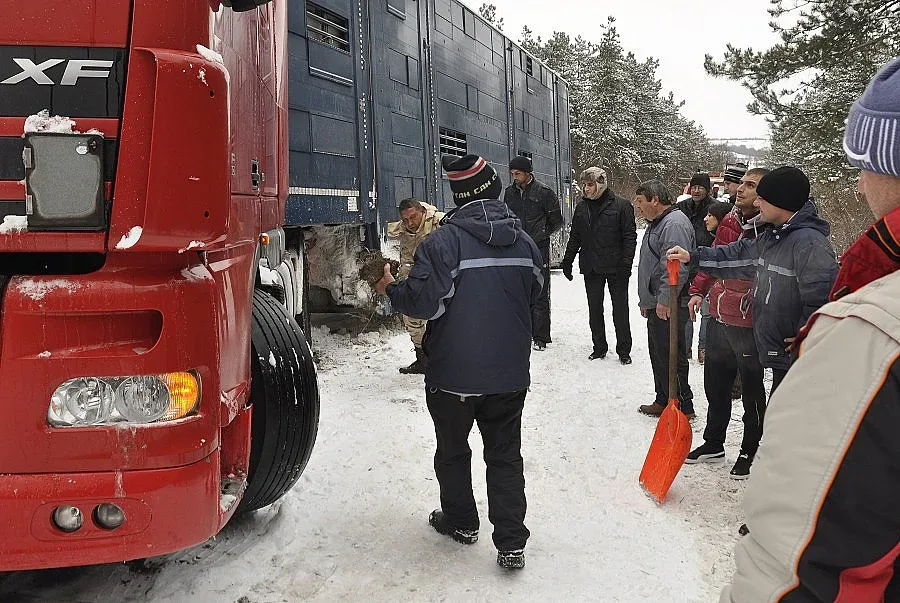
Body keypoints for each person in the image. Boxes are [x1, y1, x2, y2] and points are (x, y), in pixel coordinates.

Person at [722, 56, 900, 602]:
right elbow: (737, 259)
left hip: (788, 354)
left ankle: (753, 449)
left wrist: (806, 344)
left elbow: (801, 561)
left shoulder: (867, 327)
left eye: (865, 162)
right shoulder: (770, 239)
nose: (860, 183)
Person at [374, 154, 543, 571]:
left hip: (453, 376)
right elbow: (535, 294)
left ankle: (462, 521)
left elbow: (423, 304)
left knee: (452, 449)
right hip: (509, 375)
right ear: (495, 190)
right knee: (505, 454)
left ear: (459, 195)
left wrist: (391, 288)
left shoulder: (443, 243)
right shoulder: (525, 243)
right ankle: (511, 541)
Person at [667, 166, 838, 394]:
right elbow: (736, 255)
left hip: (798, 359)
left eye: (762, 199)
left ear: (781, 202)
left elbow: (823, 301)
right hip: (781, 354)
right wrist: (693, 256)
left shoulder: (809, 243)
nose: (757, 204)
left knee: (783, 421)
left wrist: (805, 336)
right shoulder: (776, 236)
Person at [683, 168, 769, 480]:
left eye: (751, 185)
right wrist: (697, 290)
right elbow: (717, 258)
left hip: (748, 321)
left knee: (750, 389)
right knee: (715, 383)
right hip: (719, 313)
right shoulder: (730, 219)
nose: (741, 190)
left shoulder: (769, 229)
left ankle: (749, 448)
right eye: (741, 184)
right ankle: (713, 443)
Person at [560, 167, 637, 363]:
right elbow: (575, 237)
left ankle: (623, 350)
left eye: (590, 184)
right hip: (591, 267)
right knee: (595, 309)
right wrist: (567, 261)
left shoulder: (622, 206)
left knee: (620, 309)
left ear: (601, 184)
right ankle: (599, 347)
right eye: (585, 185)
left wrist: (626, 264)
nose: (586, 189)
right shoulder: (581, 208)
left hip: (616, 267)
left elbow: (629, 238)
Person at [634, 180, 696, 420]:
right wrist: (647, 301)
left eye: (640, 201)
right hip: (657, 302)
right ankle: (664, 398)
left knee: (672, 354)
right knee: (659, 352)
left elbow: (674, 266)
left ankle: (683, 405)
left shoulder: (674, 224)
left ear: (655, 200)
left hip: (671, 302)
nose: (637, 207)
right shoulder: (658, 222)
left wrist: (664, 300)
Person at [504, 155, 564, 351]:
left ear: (527, 172)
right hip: (517, 246)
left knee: (540, 292)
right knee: (519, 291)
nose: (514, 177)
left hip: (538, 248)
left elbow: (557, 220)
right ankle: (523, 332)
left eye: (518, 173)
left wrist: (542, 234)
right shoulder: (509, 193)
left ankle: (541, 337)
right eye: (512, 173)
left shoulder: (544, 192)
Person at [386, 198, 445, 374]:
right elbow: (407, 260)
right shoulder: (404, 229)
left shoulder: (441, 223)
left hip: (443, 279)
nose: (410, 223)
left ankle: (448, 359)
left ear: (422, 212)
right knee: (411, 315)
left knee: (445, 320)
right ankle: (423, 359)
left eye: (413, 217)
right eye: (405, 220)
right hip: (419, 277)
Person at [677, 172, 716, 362]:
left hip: (708, 266)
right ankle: (685, 349)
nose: (697, 190)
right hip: (686, 265)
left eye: (700, 187)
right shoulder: (682, 207)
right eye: (694, 187)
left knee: (707, 312)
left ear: (707, 189)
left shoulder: (715, 209)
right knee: (685, 310)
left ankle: (704, 348)